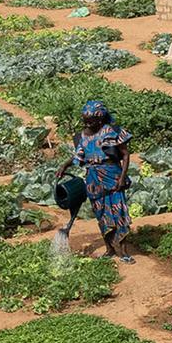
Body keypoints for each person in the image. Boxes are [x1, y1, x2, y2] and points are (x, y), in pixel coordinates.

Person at [59, 100, 135, 261]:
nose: (87, 124)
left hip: (112, 175)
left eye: (90, 121)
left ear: (100, 120)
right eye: (85, 121)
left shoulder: (111, 131)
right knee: (101, 212)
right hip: (93, 178)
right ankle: (109, 249)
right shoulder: (83, 136)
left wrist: (122, 177)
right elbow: (78, 156)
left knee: (118, 211)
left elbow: (126, 155)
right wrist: (64, 166)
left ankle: (123, 251)